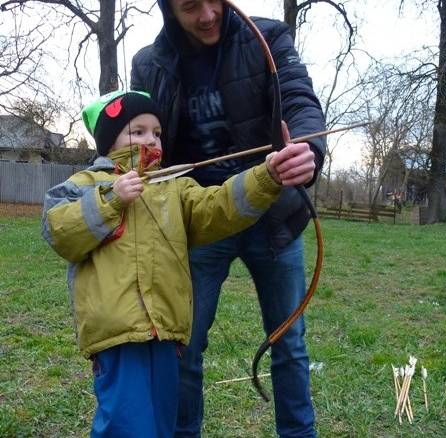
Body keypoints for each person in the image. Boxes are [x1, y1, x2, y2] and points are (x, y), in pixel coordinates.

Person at [41, 90, 318, 438]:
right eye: (137, 131)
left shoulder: (172, 187)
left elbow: (220, 206)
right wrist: (112, 198)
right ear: (109, 140)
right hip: (118, 335)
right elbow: (59, 230)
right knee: (125, 424)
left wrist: (267, 176)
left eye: (156, 132)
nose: (151, 139)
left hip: (166, 332)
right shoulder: (83, 186)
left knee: (161, 425)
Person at [131, 1, 326, 436]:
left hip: (273, 214)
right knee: (184, 344)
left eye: (212, 1)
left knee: (289, 343)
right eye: (188, 7)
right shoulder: (150, 63)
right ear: (168, 10)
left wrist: (308, 150)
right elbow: (137, 133)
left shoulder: (269, 37)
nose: (205, 16)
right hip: (201, 220)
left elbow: (299, 100)